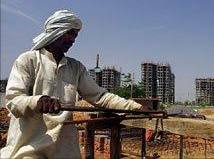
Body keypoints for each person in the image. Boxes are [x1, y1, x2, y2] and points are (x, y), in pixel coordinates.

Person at [0, 10, 145, 158]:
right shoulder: (27, 61)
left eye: (75, 35)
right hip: (29, 146)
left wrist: (135, 107)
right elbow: (13, 101)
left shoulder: (76, 68)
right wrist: (37, 101)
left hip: (64, 148)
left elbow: (100, 96)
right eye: (70, 33)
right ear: (56, 31)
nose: (73, 39)